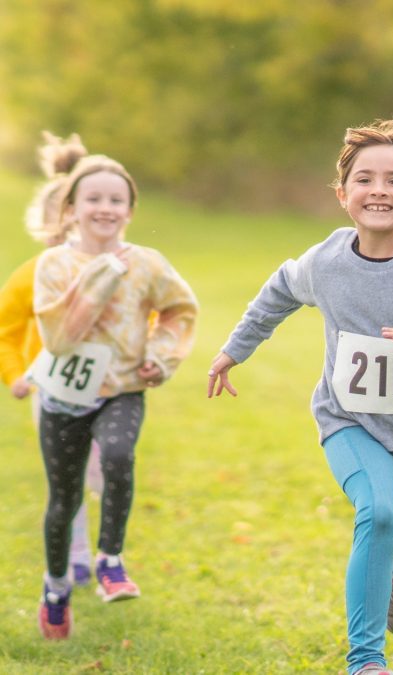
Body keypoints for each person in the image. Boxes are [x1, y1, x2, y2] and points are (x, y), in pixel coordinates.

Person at [207, 120, 393, 675]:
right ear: (342, 194)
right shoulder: (326, 261)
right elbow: (279, 291)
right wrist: (235, 349)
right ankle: (366, 661)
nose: (378, 190)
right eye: (364, 178)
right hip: (349, 421)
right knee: (380, 512)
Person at [32, 153, 198, 639]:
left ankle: (110, 559)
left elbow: (179, 310)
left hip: (122, 388)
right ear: (72, 208)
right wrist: (104, 270)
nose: (105, 208)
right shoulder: (54, 265)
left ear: (129, 210)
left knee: (120, 456)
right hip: (64, 396)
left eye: (116, 200)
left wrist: (162, 357)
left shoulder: (148, 265)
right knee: (63, 500)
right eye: (94, 199)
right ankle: (56, 585)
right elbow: (60, 337)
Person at [1, 132, 105, 588]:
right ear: (48, 229)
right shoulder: (30, 275)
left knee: (102, 470)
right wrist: (15, 375)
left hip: (107, 390)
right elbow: (6, 330)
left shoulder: (112, 269)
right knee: (68, 480)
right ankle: (79, 558)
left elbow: (148, 310)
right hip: (50, 391)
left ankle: (106, 544)